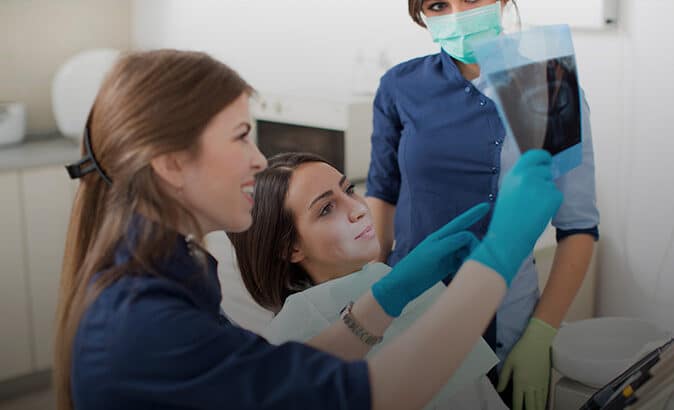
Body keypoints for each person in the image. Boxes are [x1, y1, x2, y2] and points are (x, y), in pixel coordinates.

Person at [54, 49, 562, 410]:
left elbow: (279, 379)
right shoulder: (143, 325)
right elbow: (374, 394)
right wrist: (497, 257)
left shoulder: (176, 267)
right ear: (170, 166)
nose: (258, 161)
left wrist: (388, 294)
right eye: (240, 138)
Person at [366, 1, 600, 409]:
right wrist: (367, 293)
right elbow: (382, 192)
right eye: (439, 4)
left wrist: (541, 332)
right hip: (410, 309)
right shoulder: (400, 85)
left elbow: (578, 227)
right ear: (422, 14)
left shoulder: (548, 85)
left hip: (507, 320)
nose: (458, 14)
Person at [228, 152, 507, 409]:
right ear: (291, 249)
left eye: (349, 189)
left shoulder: (393, 280)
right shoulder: (292, 340)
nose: (358, 209)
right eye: (326, 209)